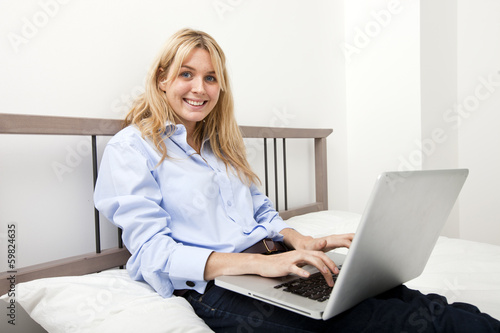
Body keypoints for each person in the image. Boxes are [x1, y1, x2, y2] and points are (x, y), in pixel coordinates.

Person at [94, 28, 500, 332]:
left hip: (273, 264)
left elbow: (262, 212)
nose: (200, 88)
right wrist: (261, 265)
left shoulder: (223, 146)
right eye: (186, 74)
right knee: (400, 322)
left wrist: (295, 239)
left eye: (211, 77)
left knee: (418, 302)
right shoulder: (131, 149)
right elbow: (151, 252)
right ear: (162, 78)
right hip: (218, 285)